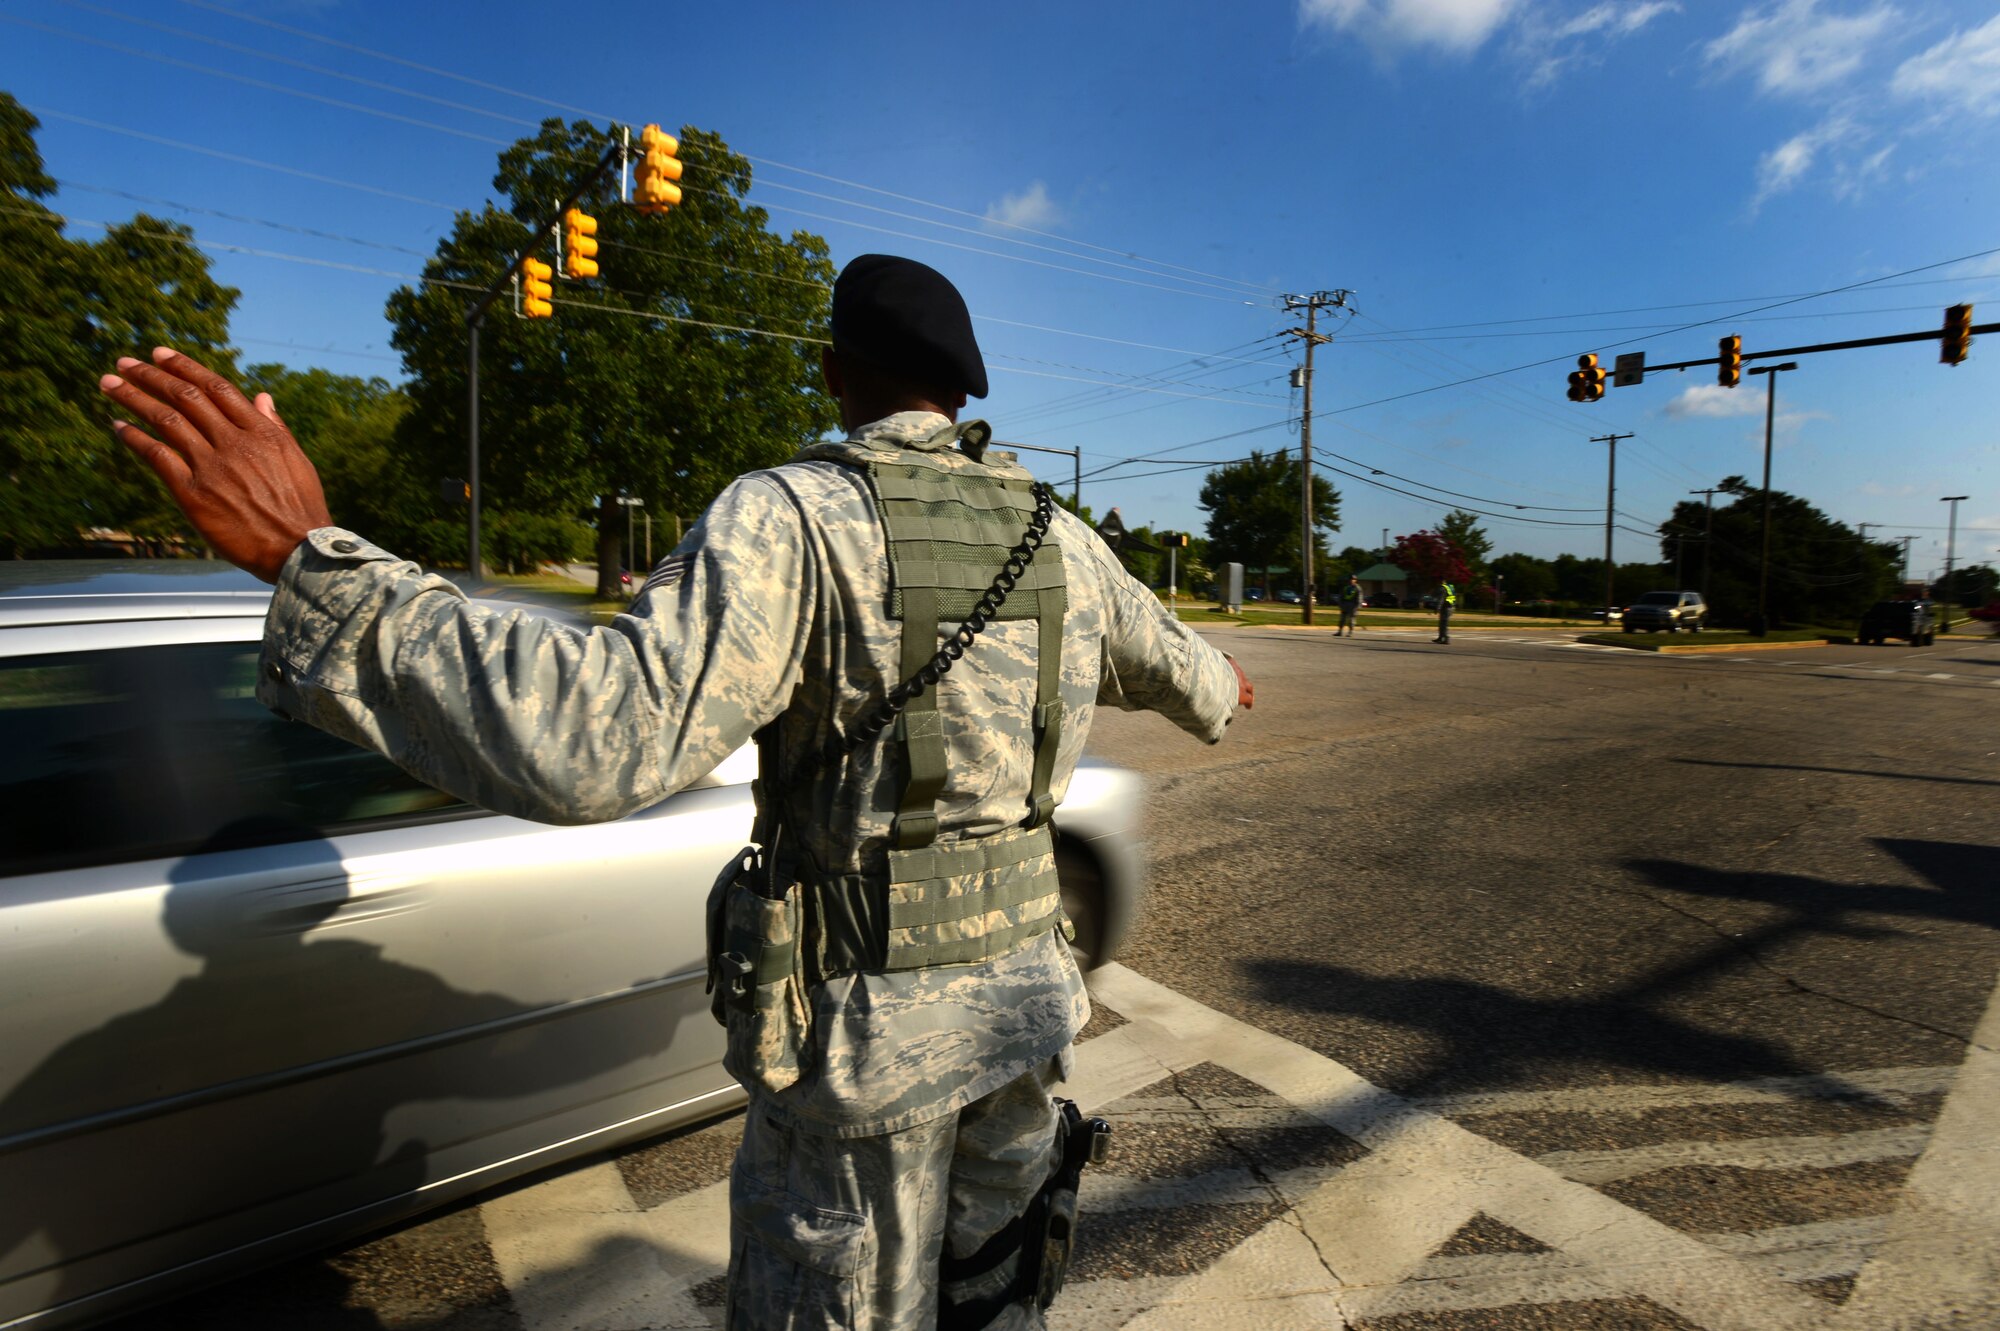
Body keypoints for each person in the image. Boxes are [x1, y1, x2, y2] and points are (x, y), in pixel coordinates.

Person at [97, 253, 1251, 1331]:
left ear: (832, 369)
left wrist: (325, 571)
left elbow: (597, 735)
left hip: (865, 1056)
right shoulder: (1061, 533)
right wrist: (1222, 680)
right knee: (995, 1294)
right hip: (1021, 1029)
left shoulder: (790, 516)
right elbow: (1191, 671)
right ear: (962, 388)